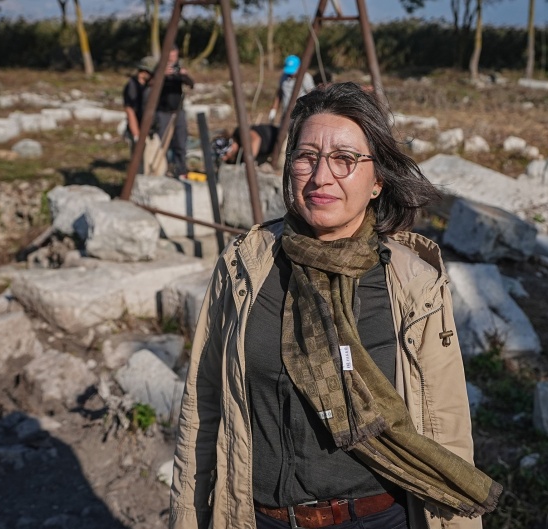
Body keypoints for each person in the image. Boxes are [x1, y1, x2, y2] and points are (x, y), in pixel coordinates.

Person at [170, 82, 501, 529]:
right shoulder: (244, 268)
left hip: (375, 519)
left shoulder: (412, 284)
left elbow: (446, 430)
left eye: (345, 159)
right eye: (307, 157)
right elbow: (203, 411)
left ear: (377, 180)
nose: (321, 176)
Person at [155, 46, 195, 180]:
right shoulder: (158, 69)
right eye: (170, 56)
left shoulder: (179, 69)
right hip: (162, 111)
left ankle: (180, 169)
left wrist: (184, 75)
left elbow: (191, 84)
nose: (172, 59)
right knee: (162, 142)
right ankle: (162, 169)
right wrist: (162, 75)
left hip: (178, 111)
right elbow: (151, 85)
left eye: (174, 56)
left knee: (180, 141)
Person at [268, 54, 315, 124]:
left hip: (300, 116)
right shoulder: (284, 77)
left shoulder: (305, 78)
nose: (291, 74)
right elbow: (280, 92)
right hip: (286, 114)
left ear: (299, 67)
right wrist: (274, 109)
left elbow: (312, 96)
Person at [122, 56, 156, 147]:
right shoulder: (132, 87)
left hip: (151, 130)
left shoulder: (149, 86)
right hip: (138, 129)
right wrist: (136, 135)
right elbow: (130, 111)